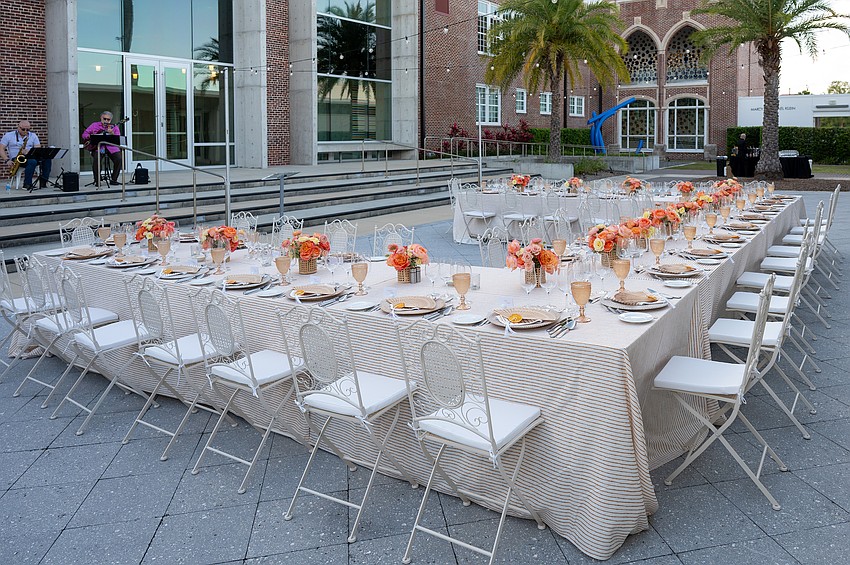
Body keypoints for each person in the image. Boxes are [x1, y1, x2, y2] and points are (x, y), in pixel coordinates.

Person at [0, 120, 52, 190]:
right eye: (23, 129)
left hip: (30, 156)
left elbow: (38, 148)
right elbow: (1, 148)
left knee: (47, 158)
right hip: (17, 158)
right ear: (18, 127)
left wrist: (29, 151)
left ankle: (43, 181)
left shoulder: (33, 136)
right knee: (32, 162)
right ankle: (27, 184)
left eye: (28, 129)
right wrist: (7, 160)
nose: (25, 131)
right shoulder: (9, 135)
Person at [82, 111, 122, 187]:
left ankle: (114, 179)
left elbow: (118, 138)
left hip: (111, 147)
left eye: (108, 119)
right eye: (105, 119)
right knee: (97, 160)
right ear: (101, 118)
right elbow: (84, 134)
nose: (106, 121)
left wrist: (112, 134)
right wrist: (91, 136)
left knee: (119, 159)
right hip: (98, 147)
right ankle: (97, 180)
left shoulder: (114, 127)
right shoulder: (94, 125)